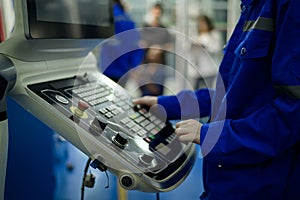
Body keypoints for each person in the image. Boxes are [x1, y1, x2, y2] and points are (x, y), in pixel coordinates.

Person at [134, 0, 300, 199]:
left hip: (262, 187)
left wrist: (211, 136)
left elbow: (293, 115)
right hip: (229, 184)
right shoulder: (252, 7)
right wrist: (168, 105)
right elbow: (231, 96)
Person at [99, 0, 144, 87]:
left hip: (109, 67)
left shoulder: (110, 16)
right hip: (124, 69)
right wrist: (134, 66)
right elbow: (137, 47)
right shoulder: (129, 19)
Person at [136, 3, 172, 96]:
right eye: (155, 11)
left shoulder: (164, 29)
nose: (157, 13)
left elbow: (169, 46)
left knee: (158, 95)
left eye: (159, 12)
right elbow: (139, 43)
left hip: (160, 65)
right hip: (146, 66)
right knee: (144, 93)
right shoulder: (145, 28)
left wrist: (160, 49)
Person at [189, 15, 223, 89]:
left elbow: (216, 49)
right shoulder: (196, 35)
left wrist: (204, 46)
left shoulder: (214, 35)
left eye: (203, 24)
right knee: (195, 94)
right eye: (200, 24)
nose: (201, 26)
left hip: (209, 70)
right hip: (196, 70)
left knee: (208, 92)